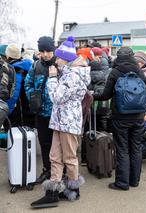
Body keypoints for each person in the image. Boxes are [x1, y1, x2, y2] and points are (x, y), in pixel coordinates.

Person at [31, 36, 90, 208]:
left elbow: (57, 97)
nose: (56, 59)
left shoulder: (74, 75)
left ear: (66, 57)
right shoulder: (68, 71)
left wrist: (52, 79)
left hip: (68, 121)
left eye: (59, 56)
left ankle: (73, 189)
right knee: (54, 156)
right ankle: (52, 192)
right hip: (59, 120)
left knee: (69, 157)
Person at [94, 47, 146, 191]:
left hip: (120, 117)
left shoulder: (115, 72)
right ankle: (134, 181)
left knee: (122, 149)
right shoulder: (140, 72)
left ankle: (122, 183)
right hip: (138, 116)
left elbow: (105, 95)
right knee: (136, 148)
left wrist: (92, 95)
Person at [25, 36, 56, 183]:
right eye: (42, 51)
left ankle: (59, 173)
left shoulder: (60, 65)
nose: (45, 54)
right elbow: (28, 83)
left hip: (57, 114)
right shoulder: (36, 65)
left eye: (48, 51)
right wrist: (33, 96)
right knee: (44, 144)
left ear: (53, 49)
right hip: (41, 113)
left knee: (58, 146)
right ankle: (47, 170)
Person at [5, 44, 33, 127]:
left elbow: (14, 94)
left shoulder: (14, 69)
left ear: (8, 55)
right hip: (30, 107)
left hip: (19, 111)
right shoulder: (29, 65)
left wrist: (7, 111)